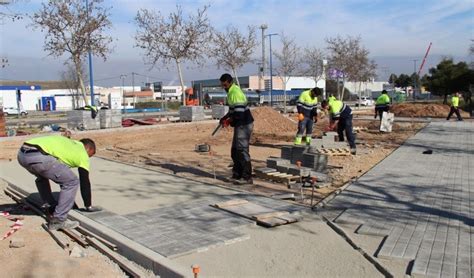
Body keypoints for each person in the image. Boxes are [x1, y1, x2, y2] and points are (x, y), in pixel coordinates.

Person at [17, 135, 99, 230]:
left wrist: (71, 204)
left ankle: (49, 206)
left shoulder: (69, 145)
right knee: (72, 181)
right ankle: (58, 220)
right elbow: (85, 183)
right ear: (89, 148)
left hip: (23, 154)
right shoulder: (82, 154)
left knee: (42, 176)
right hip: (39, 157)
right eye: (91, 155)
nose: (89, 158)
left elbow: (62, 176)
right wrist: (88, 206)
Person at [219, 73, 254, 185]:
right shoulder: (230, 92)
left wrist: (229, 121)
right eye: (222, 85)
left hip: (244, 123)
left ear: (229, 82)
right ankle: (237, 174)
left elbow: (239, 114)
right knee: (235, 150)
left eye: (224, 85)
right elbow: (232, 111)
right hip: (240, 123)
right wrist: (224, 118)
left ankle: (247, 177)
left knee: (242, 150)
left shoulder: (235, 92)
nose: (223, 87)